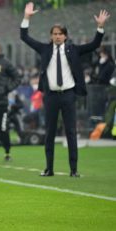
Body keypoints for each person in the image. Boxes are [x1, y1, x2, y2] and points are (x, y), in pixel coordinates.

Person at [20, 2, 110, 177]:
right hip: (51, 96)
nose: (57, 36)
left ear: (66, 36)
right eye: (54, 34)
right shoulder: (45, 49)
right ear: (51, 36)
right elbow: (25, 37)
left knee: (70, 132)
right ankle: (49, 169)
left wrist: (100, 27)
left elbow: (93, 45)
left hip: (68, 95)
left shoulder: (73, 50)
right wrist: (26, 18)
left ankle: (74, 170)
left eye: (60, 34)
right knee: (50, 133)